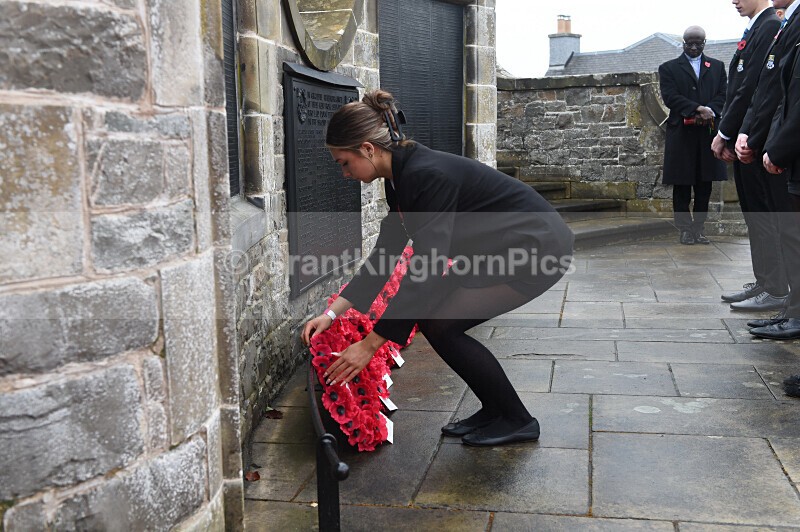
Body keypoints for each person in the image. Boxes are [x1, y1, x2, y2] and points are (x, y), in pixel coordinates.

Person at [301, 90, 575, 446]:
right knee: (435, 321)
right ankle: (496, 410)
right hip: (499, 249)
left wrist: (369, 346)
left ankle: (517, 419)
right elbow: (387, 252)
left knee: (442, 325)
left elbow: (427, 267)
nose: (344, 173)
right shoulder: (400, 177)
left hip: (535, 250)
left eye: (344, 162)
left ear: (368, 149)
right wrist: (333, 313)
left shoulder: (424, 174)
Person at [711, 0, 786, 312]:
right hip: (746, 132)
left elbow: (754, 88)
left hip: (755, 137)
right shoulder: (756, 26)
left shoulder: (770, 24)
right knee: (754, 216)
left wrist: (727, 133)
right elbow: (737, 87)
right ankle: (763, 281)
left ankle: (775, 286)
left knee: (764, 217)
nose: (734, 0)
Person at [734, 0, 800, 338]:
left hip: (785, 146)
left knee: (787, 230)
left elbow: (782, 94)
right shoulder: (784, 22)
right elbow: (767, 88)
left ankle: (786, 302)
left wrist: (776, 146)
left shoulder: (777, 25)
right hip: (772, 139)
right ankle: (789, 305)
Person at [658, 25, 727, 245]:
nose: (694, 47)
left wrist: (711, 110)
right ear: (683, 42)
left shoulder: (716, 67)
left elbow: (723, 94)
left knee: (704, 184)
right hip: (682, 134)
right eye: (690, 43)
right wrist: (698, 108)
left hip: (707, 133)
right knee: (682, 185)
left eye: (699, 43)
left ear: (704, 43)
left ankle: (699, 228)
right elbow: (670, 97)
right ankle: (685, 229)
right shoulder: (669, 68)